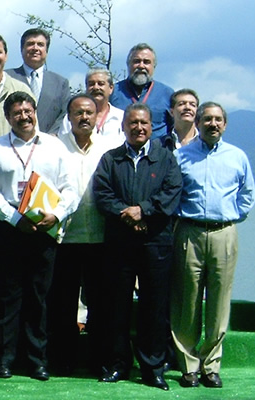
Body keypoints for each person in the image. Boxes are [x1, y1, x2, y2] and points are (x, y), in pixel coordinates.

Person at [0, 91, 78, 381]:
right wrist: (14, 219)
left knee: (39, 298)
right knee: (7, 297)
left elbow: (71, 189)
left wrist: (58, 215)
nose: (23, 117)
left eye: (28, 111)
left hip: (45, 227)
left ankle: (37, 360)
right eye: (16, 113)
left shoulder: (55, 146)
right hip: (10, 227)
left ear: (35, 111)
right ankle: (4, 359)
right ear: (8, 117)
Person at [93, 103, 181, 391]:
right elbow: (103, 196)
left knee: (154, 307)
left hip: (156, 242)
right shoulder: (111, 159)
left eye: (143, 123)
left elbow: (171, 193)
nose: (139, 128)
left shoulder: (165, 159)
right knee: (116, 306)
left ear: (151, 126)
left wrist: (143, 211)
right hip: (120, 244)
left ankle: (153, 367)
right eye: (133, 123)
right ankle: (117, 364)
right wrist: (129, 216)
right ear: (124, 127)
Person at [171, 102, 255, 388]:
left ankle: (211, 366)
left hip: (224, 234)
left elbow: (248, 193)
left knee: (219, 302)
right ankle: (189, 366)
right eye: (207, 119)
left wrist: (232, 217)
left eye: (218, 119)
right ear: (198, 121)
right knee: (187, 301)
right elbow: (172, 194)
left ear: (225, 124)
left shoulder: (238, 156)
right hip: (189, 232)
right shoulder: (181, 156)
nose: (213, 124)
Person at [48, 94, 121, 376]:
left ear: (96, 115)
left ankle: (99, 360)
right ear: (69, 117)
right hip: (64, 238)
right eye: (78, 113)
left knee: (101, 305)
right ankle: (62, 360)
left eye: (89, 112)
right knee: (62, 304)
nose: (84, 118)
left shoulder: (109, 148)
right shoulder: (55, 147)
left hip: (101, 238)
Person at [6, 28, 70, 134]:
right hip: (12, 143)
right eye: (30, 44)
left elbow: (65, 114)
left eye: (40, 44)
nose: (35, 48)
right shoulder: (7, 78)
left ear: (46, 51)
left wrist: (50, 137)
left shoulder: (60, 83)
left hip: (50, 144)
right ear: (22, 49)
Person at [109, 43, 174, 135]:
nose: (141, 66)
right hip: (122, 147)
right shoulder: (113, 92)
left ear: (154, 66)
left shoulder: (167, 94)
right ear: (128, 65)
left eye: (146, 62)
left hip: (157, 148)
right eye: (136, 61)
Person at [57, 68, 124, 138]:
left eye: (101, 84)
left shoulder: (121, 117)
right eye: (91, 84)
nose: (96, 87)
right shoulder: (71, 117)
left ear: (111, 88)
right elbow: (63, 143)